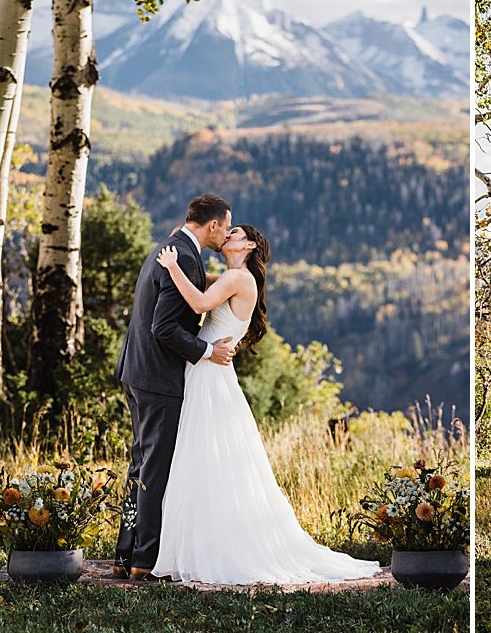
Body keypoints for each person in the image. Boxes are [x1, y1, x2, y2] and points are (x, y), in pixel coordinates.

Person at [146, 215, 380, 584]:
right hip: (210, 370)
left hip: (210, 373)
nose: (227, 234)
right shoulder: (232, 277)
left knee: (203, 456)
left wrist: (172, 265)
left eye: (234, 232)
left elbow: (198, 303)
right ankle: (201, 544)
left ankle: (211, 547)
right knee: (205, 458)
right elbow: (201, 285)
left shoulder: (240, 278)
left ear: (249, 245)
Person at [113, 194, 241, 580]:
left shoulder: (170, 247)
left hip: (136, 371)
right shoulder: (184, 256)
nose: (225, 234)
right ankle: (145, 560)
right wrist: (206, 351)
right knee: (155, 467)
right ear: (214, 225)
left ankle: (126, 554)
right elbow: (164, 327)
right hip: (158, 378)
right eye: (225, 226)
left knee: (139, 465)